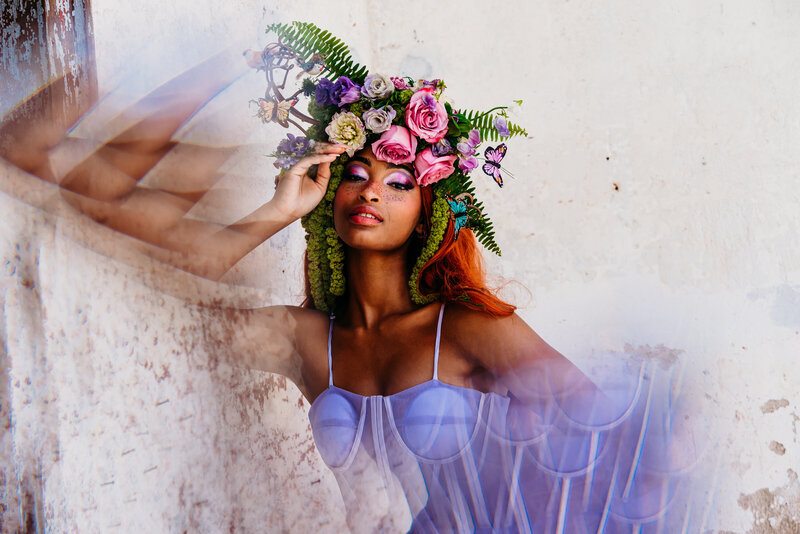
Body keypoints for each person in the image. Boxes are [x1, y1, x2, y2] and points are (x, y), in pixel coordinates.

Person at [1, 22, 695, 533]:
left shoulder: (475, 330)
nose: (371, 192)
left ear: (430, 211)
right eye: (355, 174)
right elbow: (192, 277)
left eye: (398, 183)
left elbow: (611, 439)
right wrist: (277, 208)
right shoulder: (306, 340)